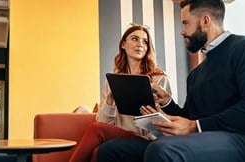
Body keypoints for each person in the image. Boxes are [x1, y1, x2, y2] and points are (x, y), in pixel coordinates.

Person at [97, 0, 245, 162]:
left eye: (185, 23)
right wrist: (167, 102)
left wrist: (195, 126)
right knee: (110, 150)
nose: (182, 31)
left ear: (205, 21)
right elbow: (189, 117)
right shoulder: (196, 73)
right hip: (204, 138)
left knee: (162, 150)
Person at [69, 23, 172, 162]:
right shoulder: (112, 81)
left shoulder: (159, 79)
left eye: (145, 41)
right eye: (135, 39)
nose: (140, 44)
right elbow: (103, 121)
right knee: (98, 149)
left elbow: (168, 127)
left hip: (148, 141)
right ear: (123, 44)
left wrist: (153, 115)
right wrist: (110, 103)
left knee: (96, 130)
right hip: (119, 136)